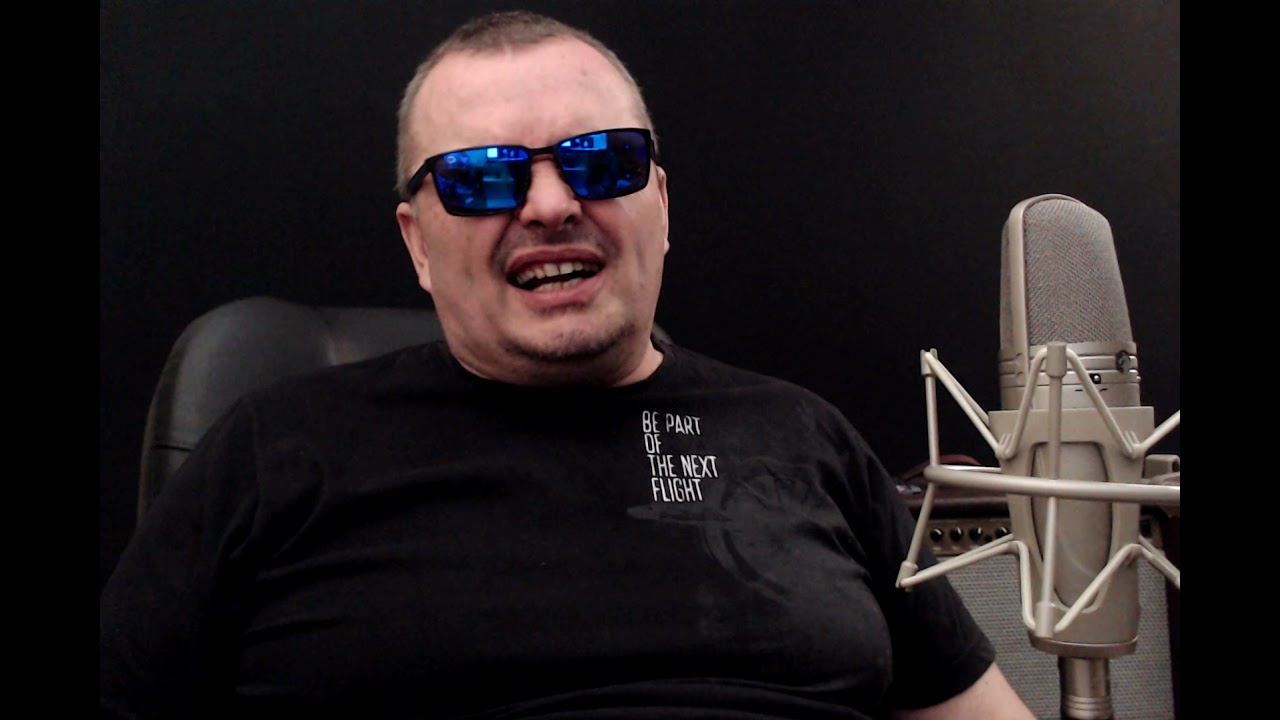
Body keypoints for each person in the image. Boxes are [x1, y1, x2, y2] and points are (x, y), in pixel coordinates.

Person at [100, 10, 1036, 720]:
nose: (550, 204)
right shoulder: (272, 453)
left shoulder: (806, 437)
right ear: (417, 241)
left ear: (660, 205)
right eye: (483, 176)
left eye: (602, 162)